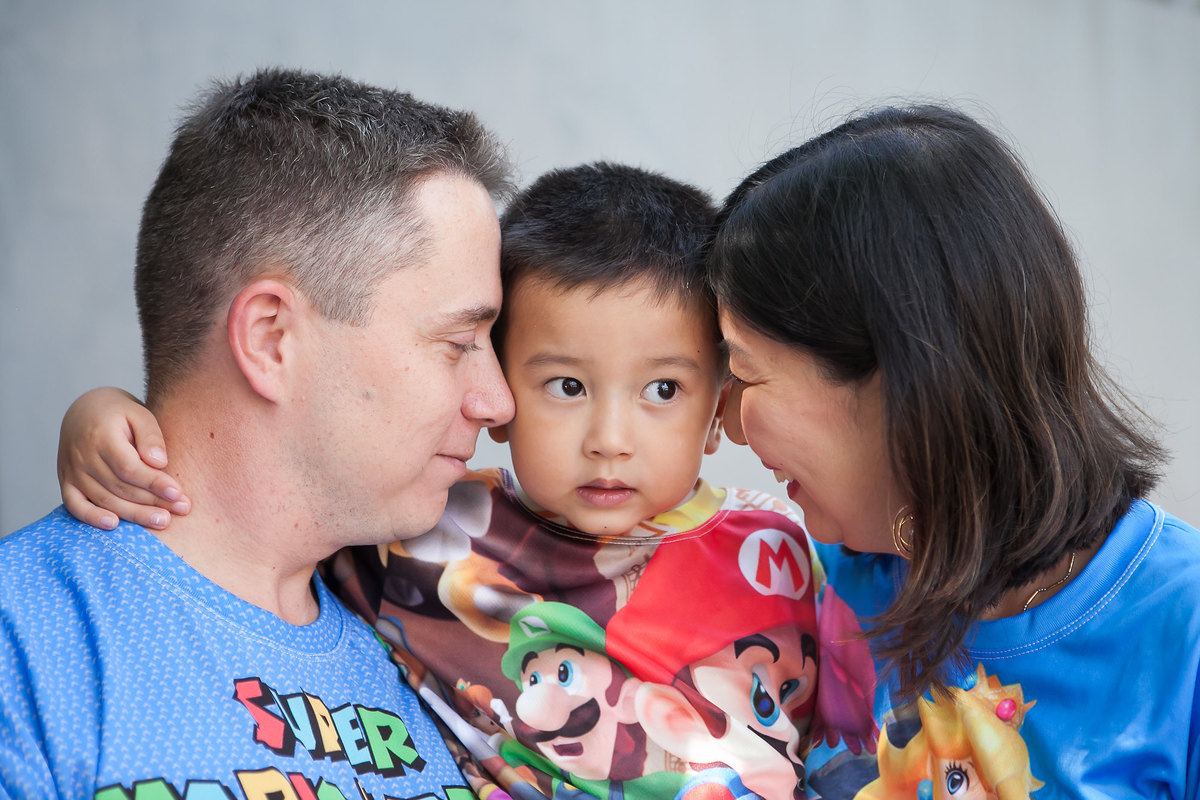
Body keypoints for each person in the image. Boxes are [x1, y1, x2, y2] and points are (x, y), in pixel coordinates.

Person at [55, 162, 852, 799]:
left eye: (663, 390)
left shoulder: (782, 549)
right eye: (567, 386)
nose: (610, 441)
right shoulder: (433, 529)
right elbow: (265, 497)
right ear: (499, 394)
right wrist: (108, 416)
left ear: (718, 412)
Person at [0, 67, 516, 799]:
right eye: (458, 343)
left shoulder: (444, 661)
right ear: (271, 340)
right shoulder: (26, 645)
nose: (498, 402)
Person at [707, 103, 1200, 798]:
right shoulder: (809, 590)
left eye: (744, 372)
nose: (726, 423)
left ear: (901, 381)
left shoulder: (1183, 635)